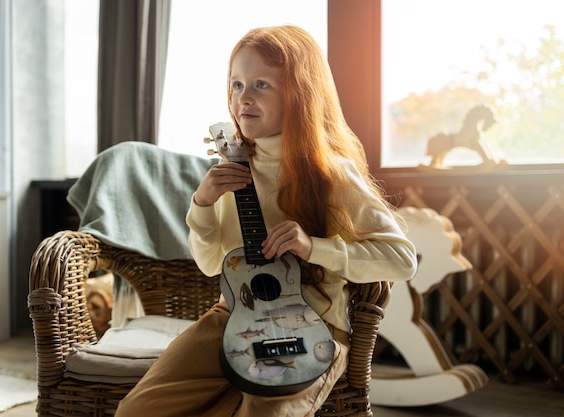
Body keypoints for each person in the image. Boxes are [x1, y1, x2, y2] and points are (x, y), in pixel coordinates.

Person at [116, 25, 417, 417]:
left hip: (314, 326)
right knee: (135, 413)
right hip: (233, 316)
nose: (244, 99)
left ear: (299, 93)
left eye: (261, 84)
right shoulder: (232, 172)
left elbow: (401, 258)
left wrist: (314, 247)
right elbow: (211, 264)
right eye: (236, 85)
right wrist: (202, 204)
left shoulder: (334, 173)